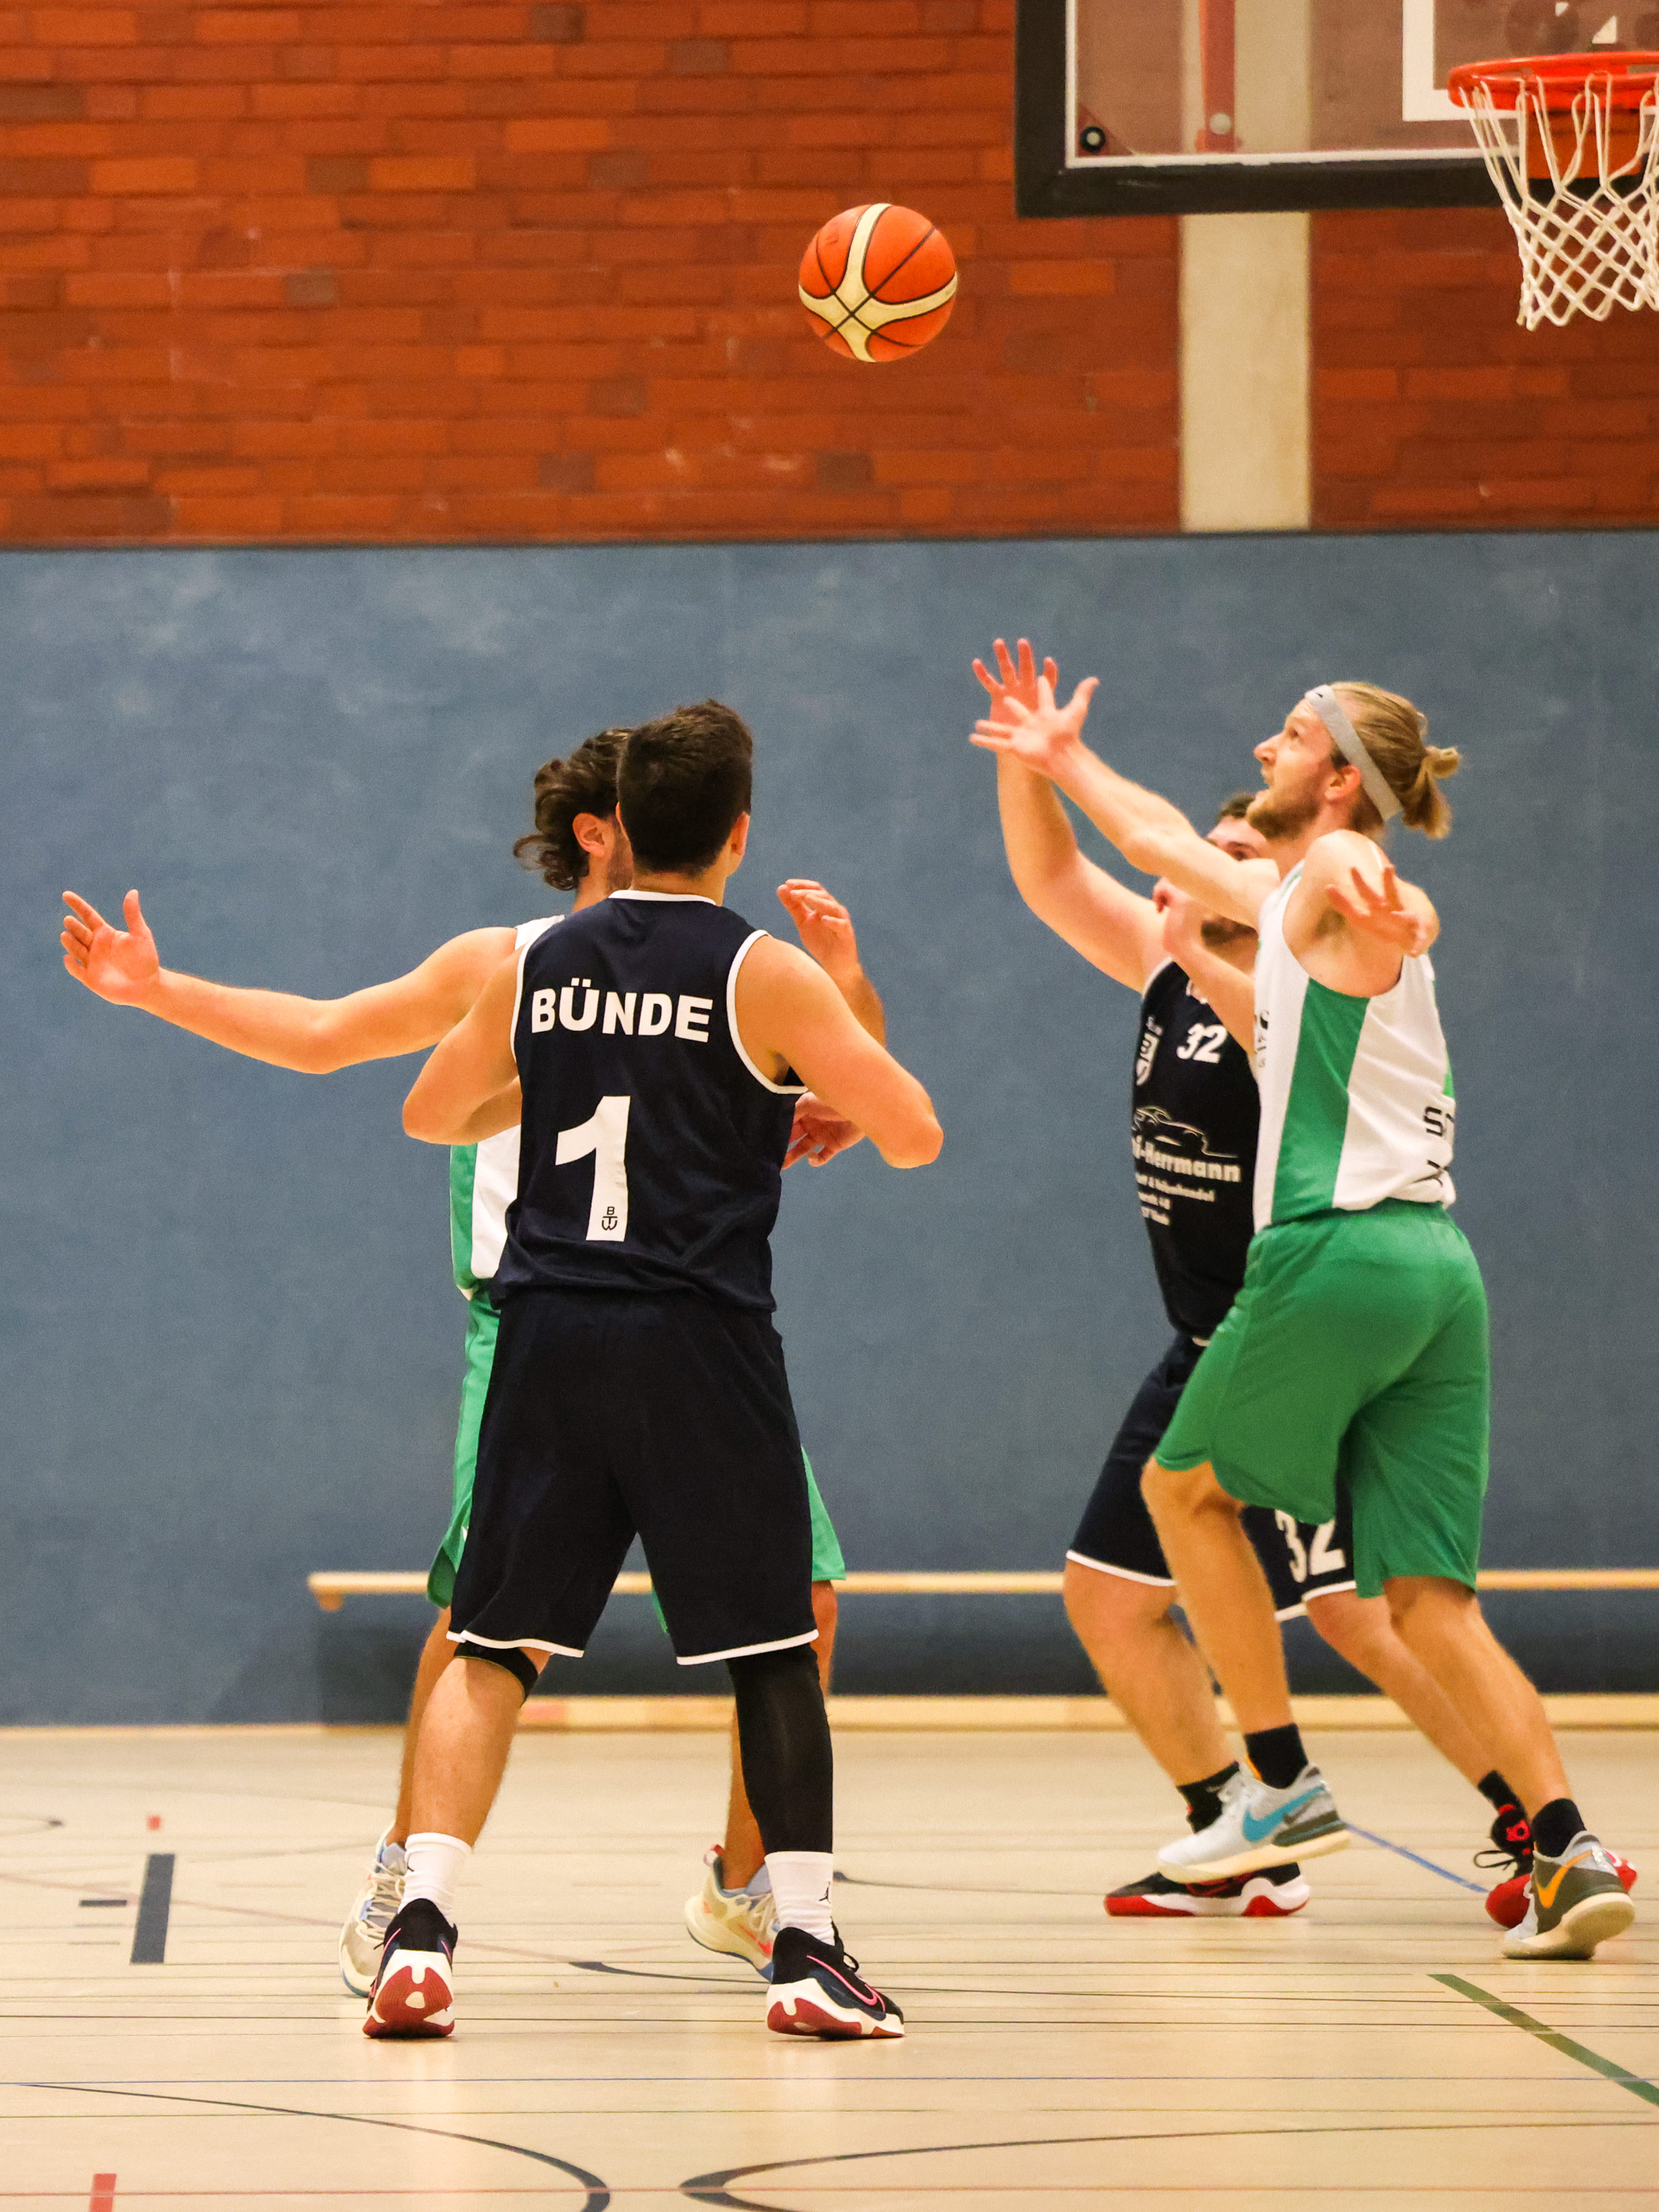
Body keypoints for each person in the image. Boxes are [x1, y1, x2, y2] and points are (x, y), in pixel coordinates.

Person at [59, 727, 877, 1992]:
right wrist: (157, 989)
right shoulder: (511, 960)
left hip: (689, 1325)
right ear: (602, 830)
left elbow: (851, 1080)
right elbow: (327, 1030)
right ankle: (405, 1877)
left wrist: (842, 1029)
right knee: (484, 1622)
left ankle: (748, 1882)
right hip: (535, 1318)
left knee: (803, 1598)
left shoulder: (728, 964)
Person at [972, 665, 1636, 1961]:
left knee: (1183, 1497)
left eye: (1286, 735)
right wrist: (1055, 762)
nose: (1261, 746)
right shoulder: (1281, 946)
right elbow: (1161, 850)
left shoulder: (1331, 870)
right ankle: (1567, 1846)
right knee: (1426, 1601)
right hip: (1434, 1267)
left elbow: (1304, 866)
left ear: (1338, 776)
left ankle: (1276, 1781)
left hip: (1330, 1256)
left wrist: (1401, 900)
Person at [382, 699, 940, 2041]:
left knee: (489, 1644)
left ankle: (419, 1929)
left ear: (620, 824)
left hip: (549, 1329)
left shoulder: (541, 962)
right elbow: (914, 1129)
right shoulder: (762, 971)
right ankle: (803, 1943)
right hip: (698, 1339)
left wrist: (570, 1078)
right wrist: (807, 1083)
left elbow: (430, 1110)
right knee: (773, 1647)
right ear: (739, 833)